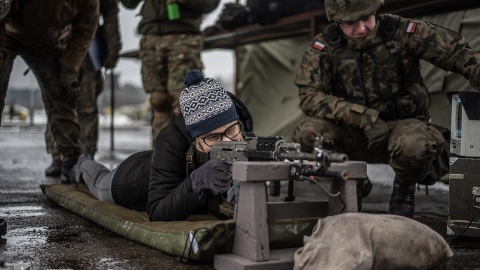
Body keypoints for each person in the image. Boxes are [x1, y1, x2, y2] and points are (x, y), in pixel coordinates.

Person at [292, 0, 480, 217]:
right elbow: (309, 96)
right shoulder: (325, 45)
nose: (361, 28)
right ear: (336, 21)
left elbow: (457, 54)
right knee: (306, 134)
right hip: (354, 132)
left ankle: (404, 186)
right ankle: (353, 178)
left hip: (403, 127)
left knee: (416, 145)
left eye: (366, 18)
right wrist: (363, 118)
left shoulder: (401, 31)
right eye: (351, 22)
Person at [71, 70, 254, 221]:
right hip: (130, 179)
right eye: (213, 138)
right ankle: (82, 162)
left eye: (231, 131)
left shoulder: (240, 132)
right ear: (195, 139)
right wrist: (196, 182)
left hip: (158, 164)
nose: (228, 142)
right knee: (98, 182)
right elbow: (157, 211)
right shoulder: (170, 142)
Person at [0, 0, 99, 183]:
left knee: (62, 93)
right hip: (7, 33)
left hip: (45, 41)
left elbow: (84, 31)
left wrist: (69, 69)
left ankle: (70, 158)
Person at [119, 0, 220, 144]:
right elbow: (129, 3)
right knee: (158, 101)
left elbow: (210, 4)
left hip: (183, 36)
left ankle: (192, 154)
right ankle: (162, 154)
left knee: (185, 100)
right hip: (151, 36)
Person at [44, 0, 122, 178]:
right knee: (57, 102)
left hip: (88, 47)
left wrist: (113, 48)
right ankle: (59, 154)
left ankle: (85, 155)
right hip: (57, 45)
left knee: (86, 105)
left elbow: (110, 14)